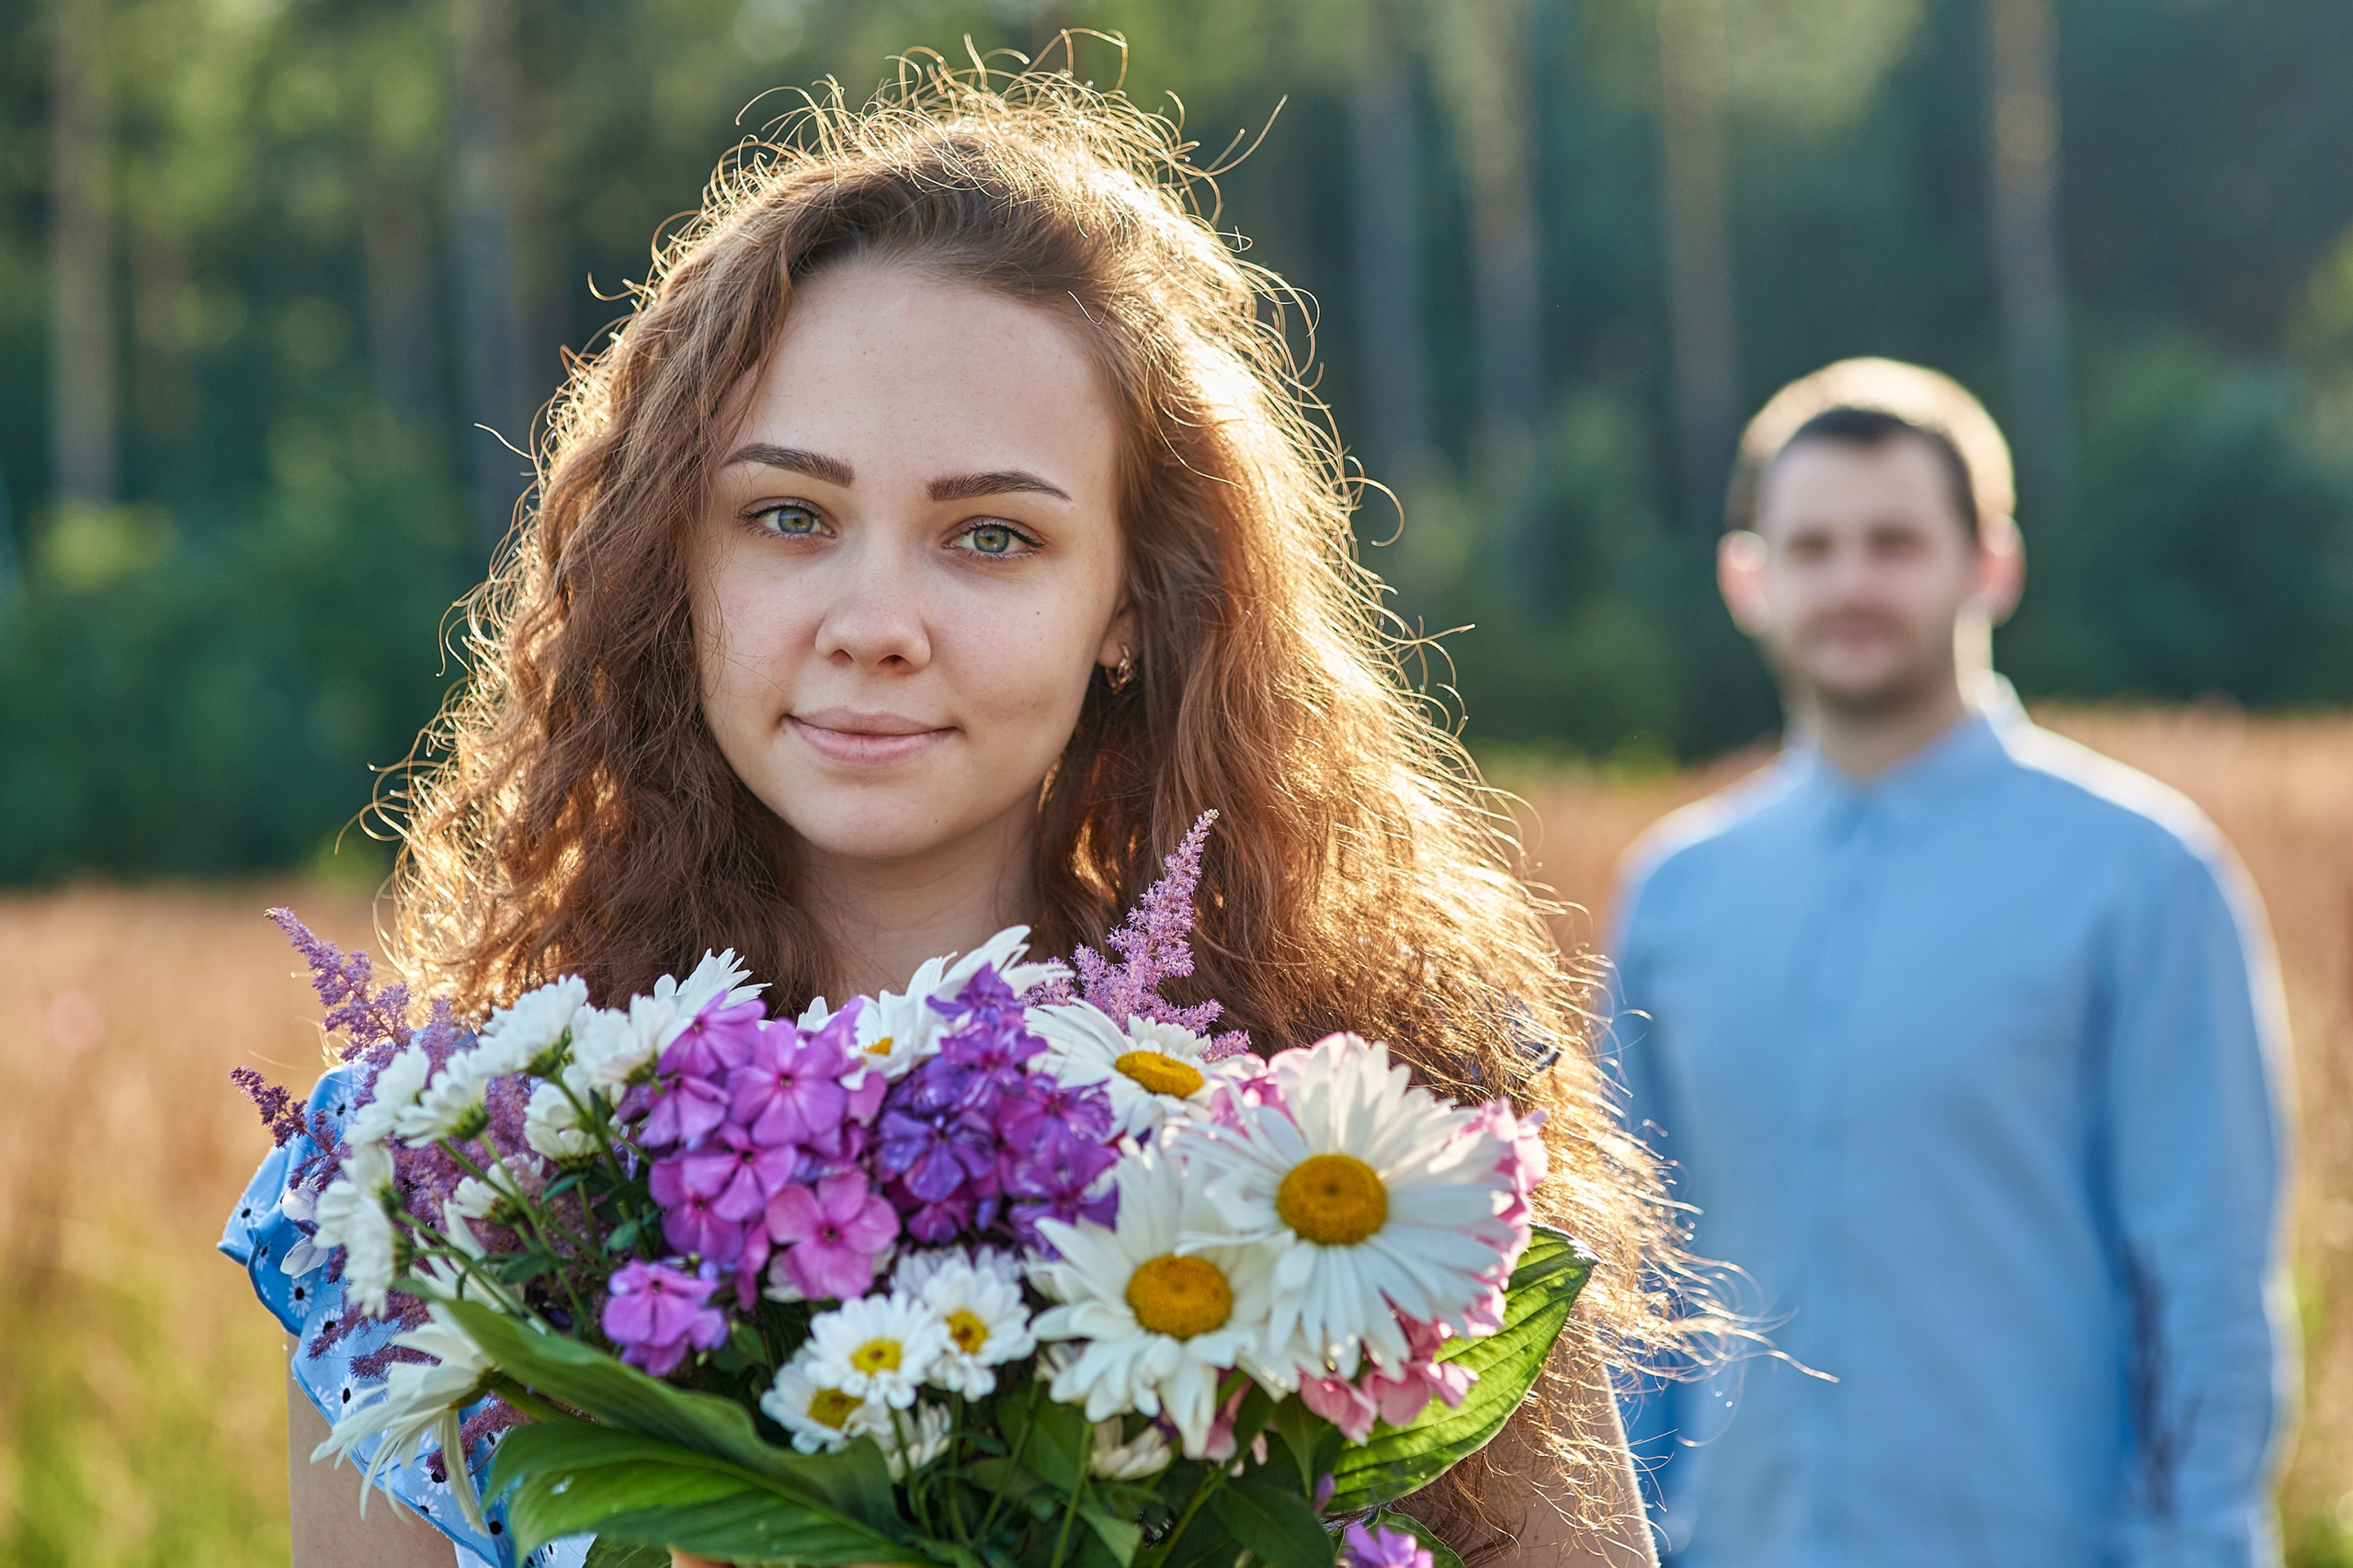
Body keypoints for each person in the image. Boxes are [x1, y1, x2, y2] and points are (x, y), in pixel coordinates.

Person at [221, 57, 1674, 1568]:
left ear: (1130, 602)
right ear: (678, 561)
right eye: (790, 516)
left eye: (990, 535)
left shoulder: (1377, 1152)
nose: (875, 620)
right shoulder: (438, 1183)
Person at [1608, 358, 2293, 1566]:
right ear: (1746, 578)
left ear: (1992, 563)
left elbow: (2209, 1292)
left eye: (1895, 541)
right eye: (1812, 547)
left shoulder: (2144, 877)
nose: (1852, 581)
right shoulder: (1676, 893)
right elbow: (1635, 1291)